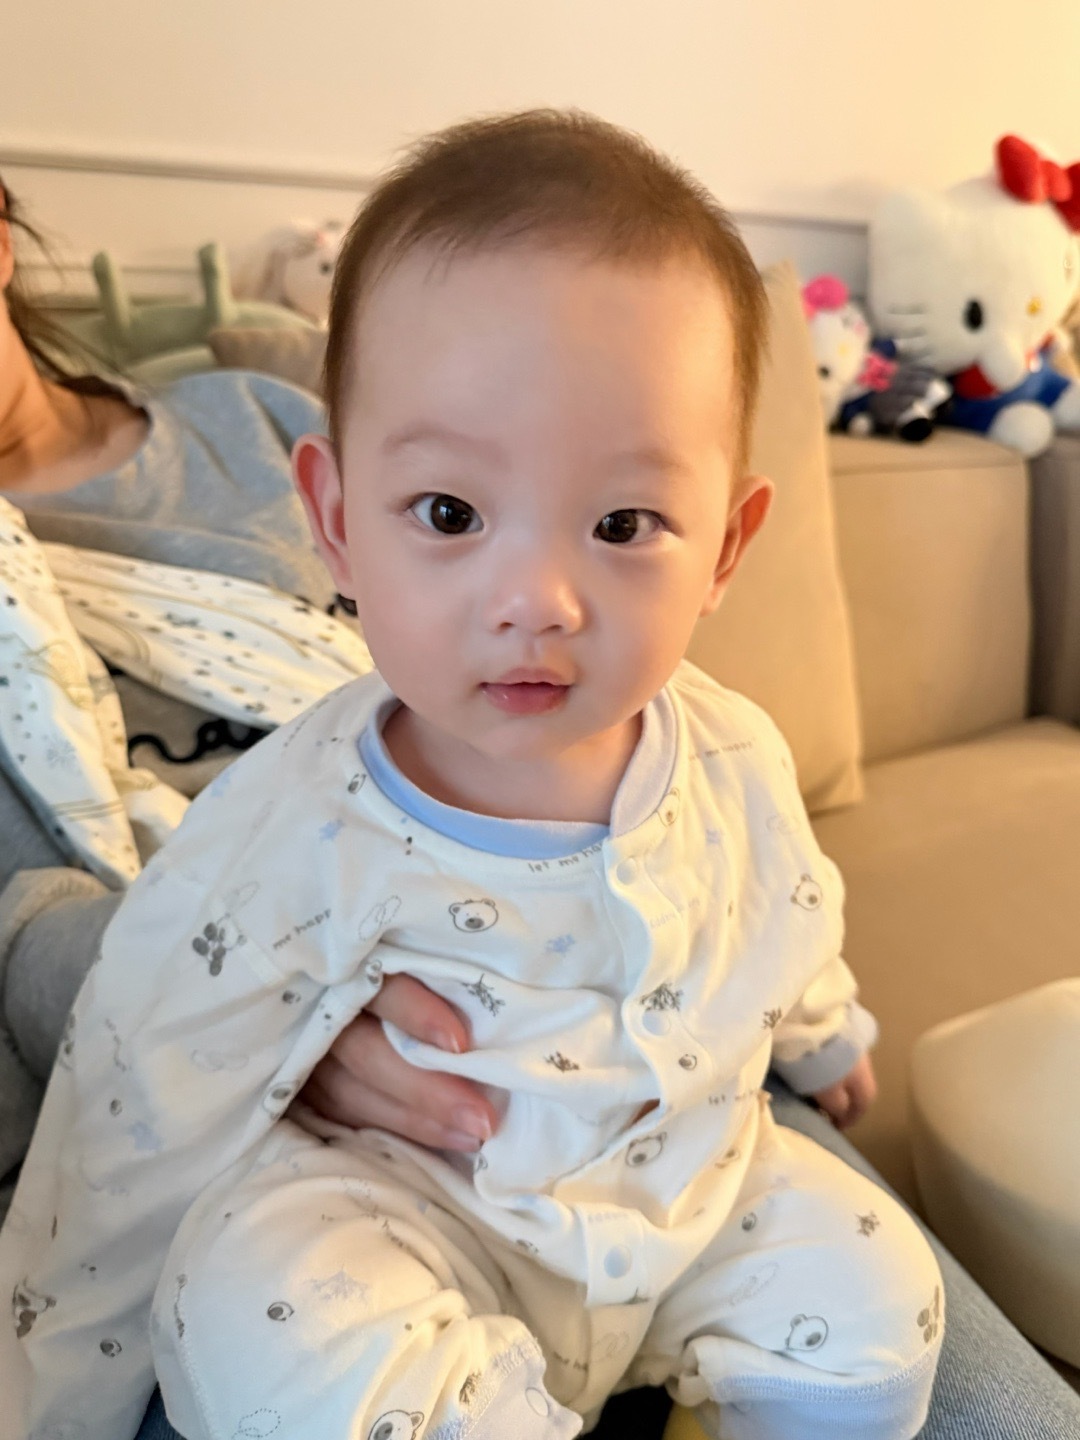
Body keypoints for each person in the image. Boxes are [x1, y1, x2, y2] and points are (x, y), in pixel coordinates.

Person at [0, 110, 946, 1440]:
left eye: (624, 523)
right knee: (257, 1302)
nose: (536, 601)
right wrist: (45, 1392)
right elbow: (138, 1087)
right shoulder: (293, 820)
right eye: (450, 515)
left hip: (683, 1187)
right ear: (337, 523)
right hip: (403, 1209)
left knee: (880, 1283)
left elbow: (786, 907)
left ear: (727, 550)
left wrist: (823, 1034)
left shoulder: (733, 751)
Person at [0, 180, 502, 1207]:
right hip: (204, 1073)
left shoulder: (255, 420)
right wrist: (251, 1018)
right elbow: (21, 940)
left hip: (510, 894)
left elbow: (515, 624)